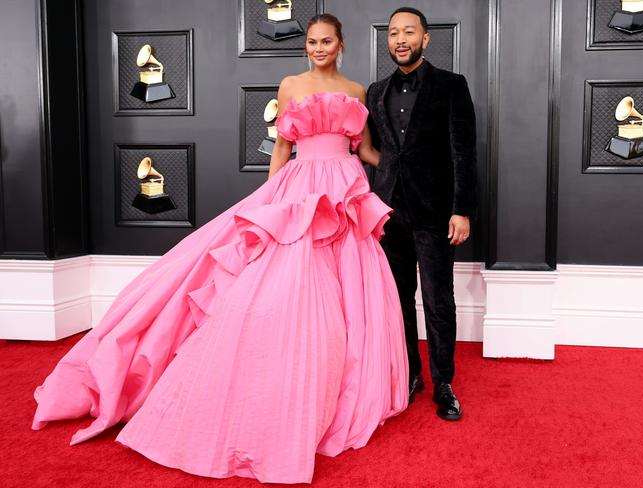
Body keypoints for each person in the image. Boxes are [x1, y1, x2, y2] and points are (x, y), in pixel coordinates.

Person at [31, 13, 408, 484]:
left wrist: (408, 158)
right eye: (311, 41)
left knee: (351, 288)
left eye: (326, 41)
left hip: (345, 191)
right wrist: (271, 201)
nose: (317, 47)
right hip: (299, 193)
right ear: (305, 44)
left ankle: (337, 381)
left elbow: (367, 150)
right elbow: (281, 151)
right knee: (286, 290)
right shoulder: (290, 85)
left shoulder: (357, 92)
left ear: (341, 44)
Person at [366, 7, 477, 420]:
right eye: (393, 32)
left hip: (435, 211)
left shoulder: (451, 85)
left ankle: (443, 382)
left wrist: (461, 210)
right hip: (389, 211)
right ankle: (410, 373)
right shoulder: (375, 92)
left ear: (425, 39)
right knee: (397, 300)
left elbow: (464, 152)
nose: (400, 39)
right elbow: (375, 153)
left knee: (437, 300)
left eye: (408, 32)